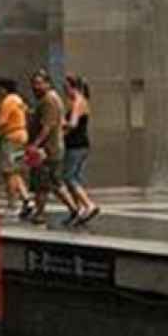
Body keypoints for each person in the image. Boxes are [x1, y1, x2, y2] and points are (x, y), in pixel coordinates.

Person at [27, 70, 76, 226]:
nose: (35, 86)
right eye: (34, 83)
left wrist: (35, 145)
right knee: (53, 182)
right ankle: (72, 209)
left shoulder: (48, 100)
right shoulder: (51, 99)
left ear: (48, 83)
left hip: (47, 149)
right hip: (52, 147)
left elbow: (47, 126)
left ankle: (40, 214)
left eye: (39, 83)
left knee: (43, 183)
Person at [61, 75, 100, 226]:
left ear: (73, 87)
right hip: (79, 144)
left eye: (66, 88)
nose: (65, 91)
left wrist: (61, 123)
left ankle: (89, 205)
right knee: (74, 177)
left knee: (68, 177)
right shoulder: (79, 101)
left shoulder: (78, 102)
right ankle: (81, 209)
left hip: (76, 145)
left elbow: (73, 124)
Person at [0, 79, 32, 217]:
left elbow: (1, 122)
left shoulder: (7, 101)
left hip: (11, 137)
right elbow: (26, 111)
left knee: (8, 172)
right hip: (22, 135)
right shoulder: (18, 99)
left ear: (4, 89)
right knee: (15, 170)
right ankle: (26, 199)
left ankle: (12, 204)